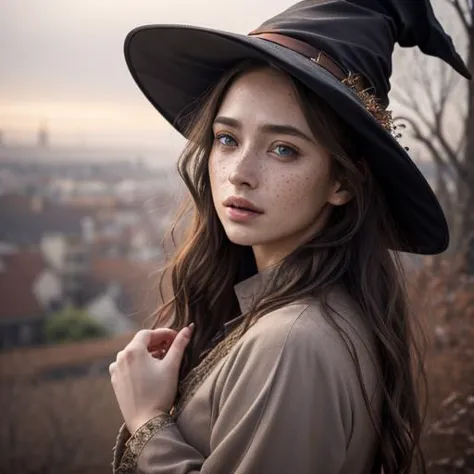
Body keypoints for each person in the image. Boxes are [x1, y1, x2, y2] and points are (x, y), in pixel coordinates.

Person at [109, 1, 471, 473]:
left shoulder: (292, 342)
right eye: (227, 139)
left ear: (342, 181)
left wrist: (148, 423)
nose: (239, 173)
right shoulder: (296, 317)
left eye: (284, 149)